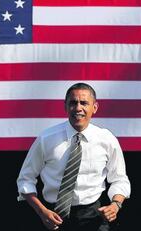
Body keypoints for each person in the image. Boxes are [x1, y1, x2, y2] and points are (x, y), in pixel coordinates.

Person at [17, 83, 131, 231]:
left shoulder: (107, 140)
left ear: (94, 107)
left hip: (94, 218)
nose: (78, 108)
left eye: (84, 103)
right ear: (65, 107)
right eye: (73, 103)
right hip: (52, 216)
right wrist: (41, 211)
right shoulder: (46, 139)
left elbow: (119, 179)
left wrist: (115, 205)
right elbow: (25, 179)